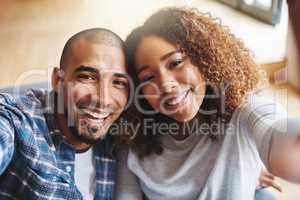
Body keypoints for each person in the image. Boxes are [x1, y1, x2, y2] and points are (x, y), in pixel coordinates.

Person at [115, 7, 300, 200]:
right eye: (148, 78)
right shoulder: (133, 137)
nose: (166, 85)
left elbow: (278, 137)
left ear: (204, 58)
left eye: (175, 63)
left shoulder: (243, 112)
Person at [0, 28, 129, 199]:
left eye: (118, 82)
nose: (104, 100)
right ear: (57, 81)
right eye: (87, 77)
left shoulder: (121, 136)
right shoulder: (16, 120)